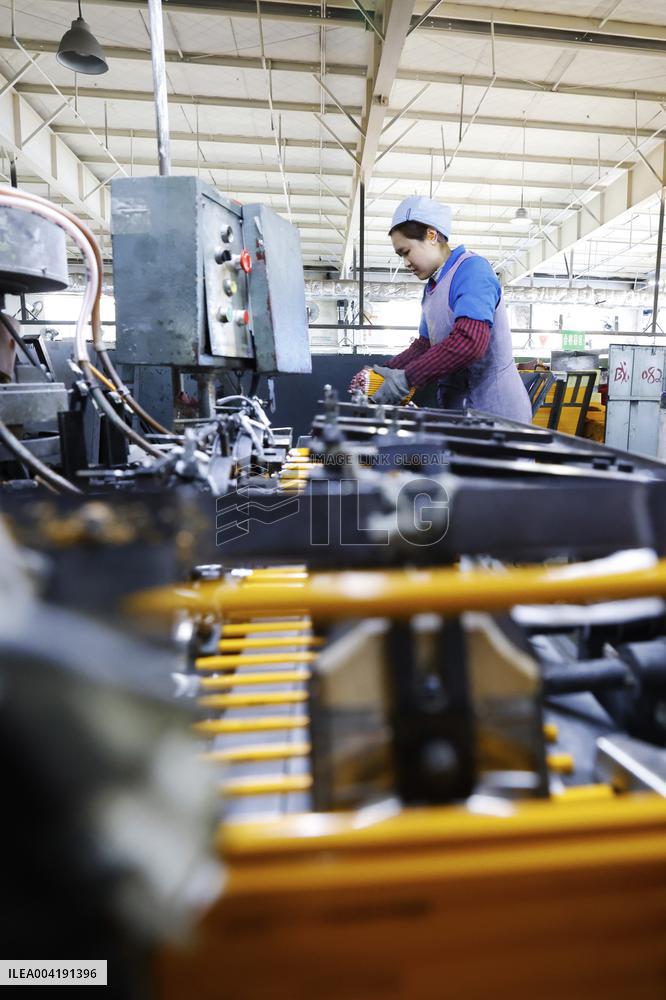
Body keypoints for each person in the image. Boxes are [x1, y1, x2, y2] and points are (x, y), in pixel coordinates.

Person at [353, 195, 532, 423]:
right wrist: (382, 372)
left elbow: (470, 342)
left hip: (496, 412)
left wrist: (407, 378)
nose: (405, 263)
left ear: (431, 235)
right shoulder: (432, 289)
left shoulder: (472, 270)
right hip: (460, 412)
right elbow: (424, 346)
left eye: (406, 252)